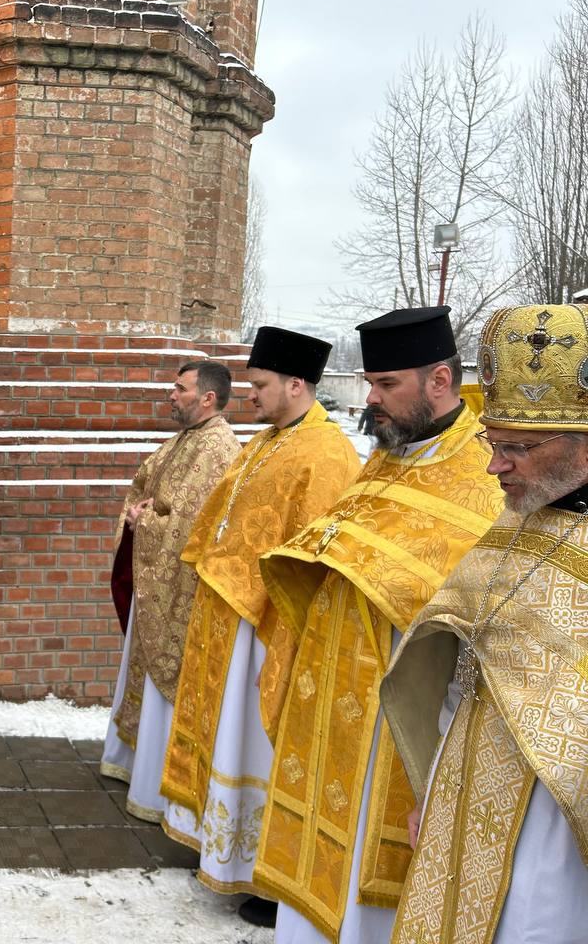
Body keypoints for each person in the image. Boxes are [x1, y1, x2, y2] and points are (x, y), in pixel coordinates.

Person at [254, 308, 504, 944]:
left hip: (399, 707)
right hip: (333, 696)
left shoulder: (484, 474)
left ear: (440, 379)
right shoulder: (390, 457)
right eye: (369, 382)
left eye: (387, 384)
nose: (370, 399)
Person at [380, 303, 588, 944]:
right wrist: (436, 786)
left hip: (559, 826)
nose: (495, 466)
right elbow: (463, 668)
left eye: (518, 449)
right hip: (469, 795)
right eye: (494, 445)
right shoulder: (519, 518)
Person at [160, 327, 361, 924]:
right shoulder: (270, 440)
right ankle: (227, 854)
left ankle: (267, 874)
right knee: (231, 739)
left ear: (296, 384)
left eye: (261, 385)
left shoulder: (325, 454)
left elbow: (313, 556)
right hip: (233, 620)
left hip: (271, 626)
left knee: (260, 743)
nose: (250, 395)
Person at [100, 360, 241, 821]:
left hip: (177, 586)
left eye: (179, 389)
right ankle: (135, 765)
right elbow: (147, 485)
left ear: (207, 398)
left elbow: (192, 525)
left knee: (165, 679)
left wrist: (148, 522)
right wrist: (139, 511)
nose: (170, 395)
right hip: (154, 579)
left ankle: (156, 786)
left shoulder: (218, 447)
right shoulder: (185, 439)